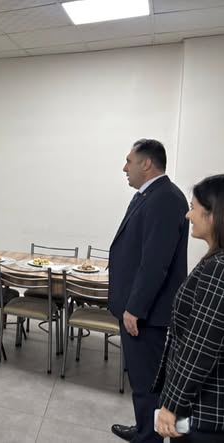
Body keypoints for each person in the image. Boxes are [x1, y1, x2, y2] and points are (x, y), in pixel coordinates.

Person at [108, 139, 189, 443]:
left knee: (147, 383)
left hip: (147, 314)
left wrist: (135, 308)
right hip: (141, 309)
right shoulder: (150, 195)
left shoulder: (165, 198)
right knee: (143, 380)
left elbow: (155, 263)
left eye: (129, 161)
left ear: (146, 163)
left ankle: (148, 438)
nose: (124, 168)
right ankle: (144, 428)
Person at [153, 174, 224, 442]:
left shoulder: (218, 269)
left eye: (193, 208)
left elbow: (200, 347)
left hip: (204, 411)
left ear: (214, 215)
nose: (188, 215)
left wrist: (172, 405)